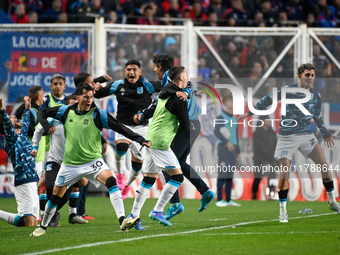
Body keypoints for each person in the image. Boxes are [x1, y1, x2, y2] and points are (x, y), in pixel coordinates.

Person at [30, 83, 150, 237]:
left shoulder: (98, 114)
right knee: (54, 197)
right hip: (70, 165)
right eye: (85, 97)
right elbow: (42, 112)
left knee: (111, 182)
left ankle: (122, 220)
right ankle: (42, 227)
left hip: (93, 162)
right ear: (78, 97)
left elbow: (121, 128)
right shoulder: (65, 111)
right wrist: (45, 125)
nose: (89, 100)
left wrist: (140, 139)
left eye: (91, 97)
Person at [238, 63, 340, 222]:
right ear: (300, 76)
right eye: (307, 75)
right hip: (287, 137)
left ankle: (332, 201)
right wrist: (249, 113)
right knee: (285, 173)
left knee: (324, 166)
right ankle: (282, 210)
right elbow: (267, 100)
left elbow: (317, 117)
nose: (310, 78)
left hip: (307, 136)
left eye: (312, 75)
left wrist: (325, 133)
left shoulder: (315, 96)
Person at [135, 54, 216, 221]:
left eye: (155, 66)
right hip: (192, 124)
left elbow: (180, 89)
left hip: (185, 124)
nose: (154, 69)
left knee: (169, 164)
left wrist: (186, 92)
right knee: (179, 163)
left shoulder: (169, 79)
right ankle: (205, 192)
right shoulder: (173, 82)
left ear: (161, 68)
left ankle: (175, 204)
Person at [121, 66, 189, 229]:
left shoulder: (164, 93)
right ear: (180, 78)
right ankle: (158, 210)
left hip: (150, 138)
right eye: (186, 74)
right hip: (160, 142)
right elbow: (186, 125)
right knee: (177, 177)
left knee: (149, 178)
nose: (188, 77)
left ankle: (133, 215)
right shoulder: (178, 99)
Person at [94, 59, 162, 200]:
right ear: (125, 72)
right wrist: (96, 86)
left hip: (142, 128)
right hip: (123, 126)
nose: (131, 72)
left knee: (137, 168)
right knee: (122, 146)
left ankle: (127, 185)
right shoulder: (118, 85)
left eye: (134, 70)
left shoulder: (147, 85)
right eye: (129, 70)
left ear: (139, 72)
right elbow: (98, 94)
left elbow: (166, 88)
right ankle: (119, 175)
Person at [31, 95, 88, 226]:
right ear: (64, 107)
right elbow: (38, 131)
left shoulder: (83, 121)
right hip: (54, 162)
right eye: (72, 106)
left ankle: (51, 214)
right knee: (51, 187)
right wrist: (35, 146)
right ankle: (49, 215)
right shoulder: (54, 120)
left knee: (65, 195)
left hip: (70, 164)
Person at [0, 96, 40, 227]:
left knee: (32, 224)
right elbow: (7, 125)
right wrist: (2, 111)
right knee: (29, 224)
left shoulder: (22, 135)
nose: (15, 118)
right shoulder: (10, 140)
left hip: (33, 180)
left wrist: (27, 109)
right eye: (12, 118)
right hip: (23, 182)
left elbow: (26, 122)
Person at [214, 96, 241, 207]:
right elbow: (216, 132)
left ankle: (228, 199)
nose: (232, 103)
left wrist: (238, 151)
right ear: (225, 103)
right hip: (224, 149)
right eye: (230, 100)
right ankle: (219, 199)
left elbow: (236, 135)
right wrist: (226, 142)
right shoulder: (221, 117)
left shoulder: (234, 118)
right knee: (223, 174)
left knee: (230, 175)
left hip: (233, 150)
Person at [251, 115, 278, 200]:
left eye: (268, 120)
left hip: (271, 159)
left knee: (272, 177)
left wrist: (274, 158)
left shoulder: (272, 133)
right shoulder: (257, 132)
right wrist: (263, 157)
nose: (268, 122)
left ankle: (271, 194)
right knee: (258, 177)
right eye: (266, 120)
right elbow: (257, 147)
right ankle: (254, 194)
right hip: (259, 159)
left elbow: (275, 145)